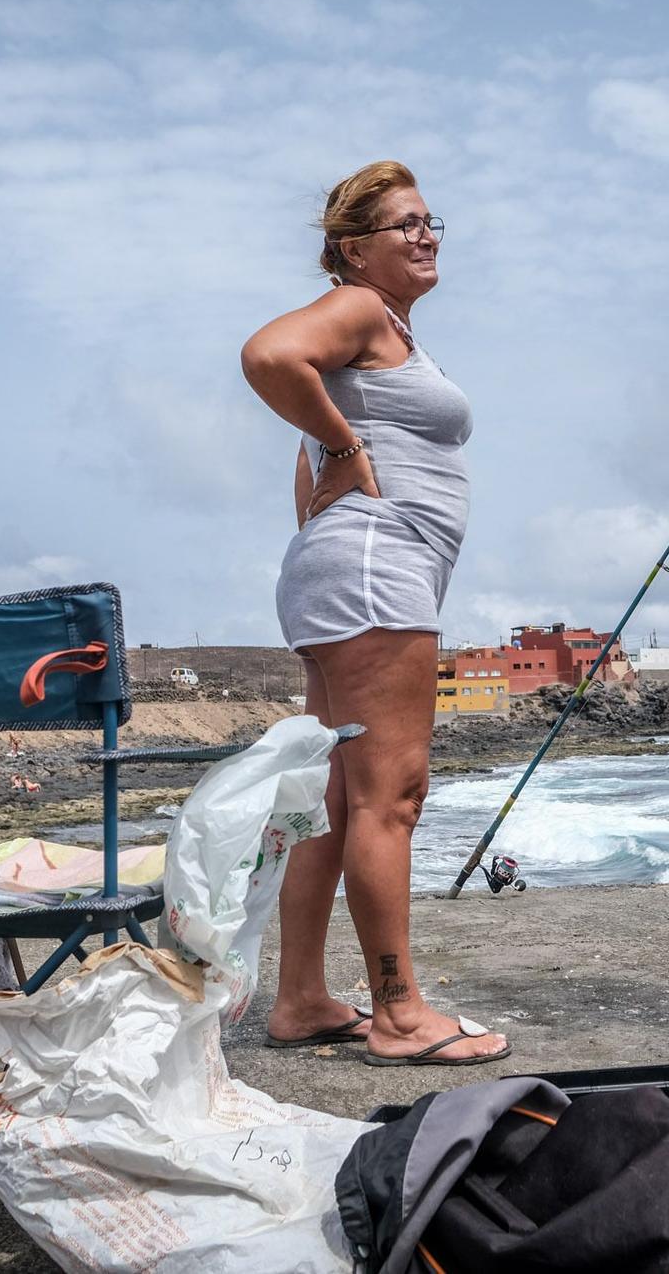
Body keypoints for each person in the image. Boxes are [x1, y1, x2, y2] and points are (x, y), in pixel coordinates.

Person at [241, 160, 508, 1067]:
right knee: (389, 795)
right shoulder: (357, 308)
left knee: (334, 795)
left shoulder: (386, 331)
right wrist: (351, 453)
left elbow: (308, 462)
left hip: (346, 569)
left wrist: (335, 461)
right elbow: (267, 355)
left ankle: (303, 999)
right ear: (355, 250)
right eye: (406, 224)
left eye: (434, 220)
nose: (427, 234)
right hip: (372, 572)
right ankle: (398, 1013)